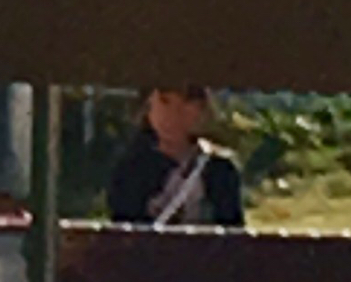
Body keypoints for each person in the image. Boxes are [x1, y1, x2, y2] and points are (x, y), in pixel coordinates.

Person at [105, 84, 247, 227]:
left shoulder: (220, 170)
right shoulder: (132, 168)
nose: (172, 113)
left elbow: (232, 233)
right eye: (164, 101)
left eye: (188, 102)